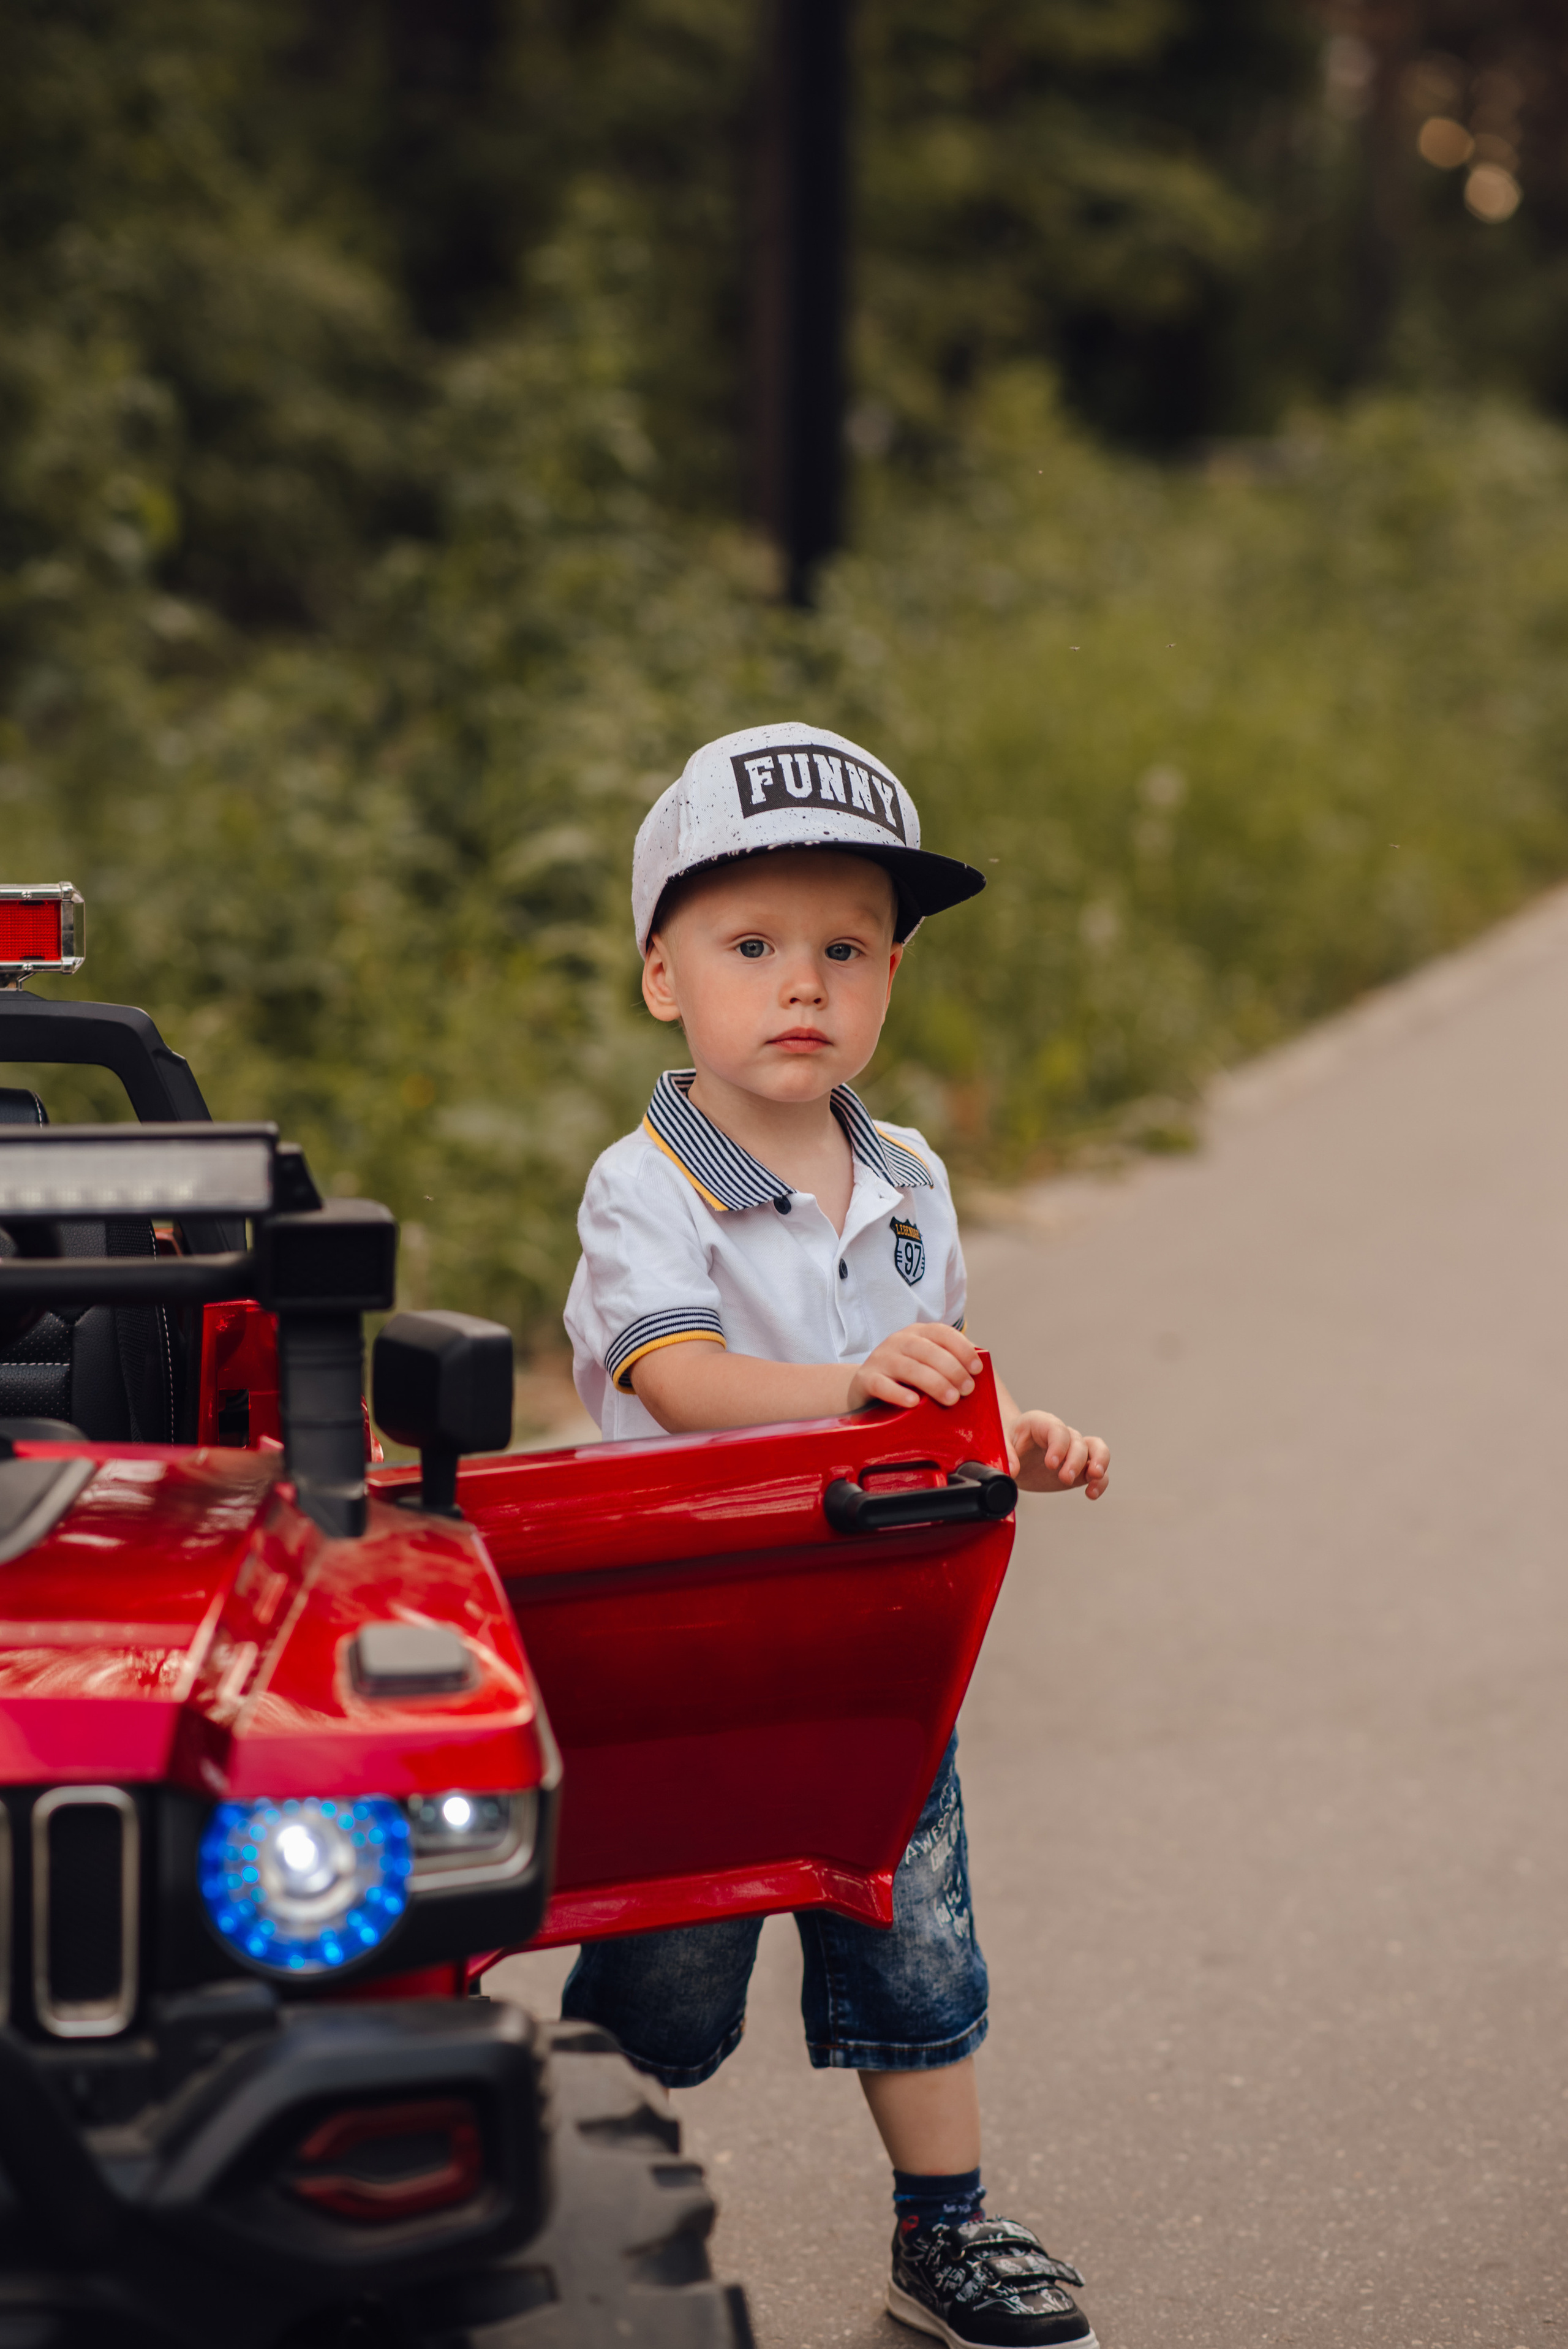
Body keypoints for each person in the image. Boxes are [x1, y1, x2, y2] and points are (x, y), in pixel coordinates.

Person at [562, 722, 1110, 2349]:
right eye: (752, 945)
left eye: (847, 947)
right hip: (699, 1646)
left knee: (913, 1942)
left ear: (888, 977)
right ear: (664, 972)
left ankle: (944, 2229)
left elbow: (922, 1392)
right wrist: (857, 1382)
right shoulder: (645, 1185)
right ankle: (576, 2211)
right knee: (664, 1984)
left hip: (877, 1638)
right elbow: (679, 1380)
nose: (803, 982)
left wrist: (1005, 1428)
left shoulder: (910, 1175)